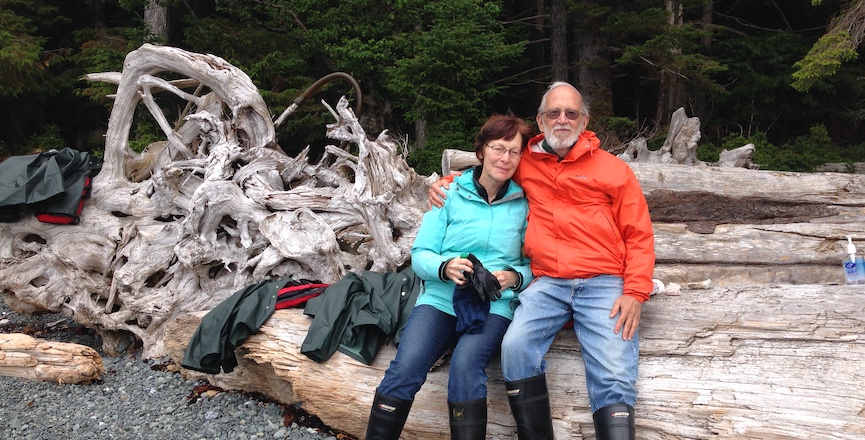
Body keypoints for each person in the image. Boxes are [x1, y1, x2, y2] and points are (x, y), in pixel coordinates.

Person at [429, 82, 655, 440]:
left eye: (571, 113)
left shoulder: (613, 170)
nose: (562, 119)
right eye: (554, 112)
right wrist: (447, 182)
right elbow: (486, 175)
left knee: (613, 369)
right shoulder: (526, 161)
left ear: (584, 120)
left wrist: (636, 291)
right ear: (540, 119)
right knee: (515, 348)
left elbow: (639, 234)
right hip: (547, 281)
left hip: (604, 282)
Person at [365, 114, 536, 440]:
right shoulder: (448, 193)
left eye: (515, 151)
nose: (506, 158)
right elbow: (421, 255)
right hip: (441, 300)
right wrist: (446, 267)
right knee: (405, 368)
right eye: (498, 148)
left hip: (493, 304)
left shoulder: (525, 203)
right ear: (482, 150)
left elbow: (534, 265)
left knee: (465, 367)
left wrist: (513, 278)